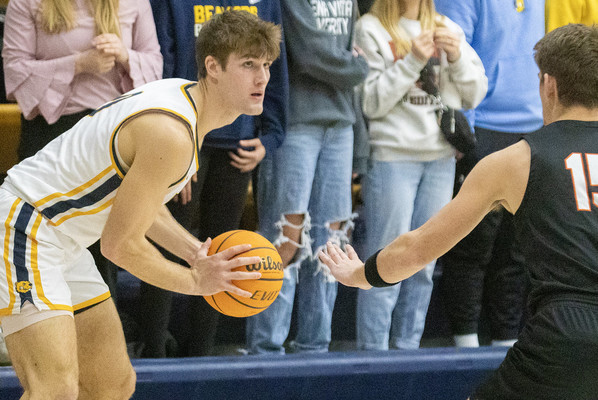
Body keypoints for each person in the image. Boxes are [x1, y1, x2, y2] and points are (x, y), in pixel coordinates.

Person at [0, 10, 281, 398]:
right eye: (248, 64)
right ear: (213, 67)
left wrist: (196, 253)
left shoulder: (183, 102)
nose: (262, 77)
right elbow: (119, 246)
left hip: (62, 240)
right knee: (54, 390)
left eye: (266, 65)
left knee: (113, 384)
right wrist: (196, 282)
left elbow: (143, 208)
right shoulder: (171, 133)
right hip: (25, 227)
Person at [320, 23, 598, 399]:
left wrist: (360, 275)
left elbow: (418, 248)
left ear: (548, 85)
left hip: (568, 332)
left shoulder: (516, 160)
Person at [139, 0, 288, 358]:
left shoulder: (265, 5)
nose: (261, 74)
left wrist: (270, 135)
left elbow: (274, 68)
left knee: (222, 250)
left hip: (237, 143)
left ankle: (201, 354)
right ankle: (153, 350)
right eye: (251, 65)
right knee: (165, 244)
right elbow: (164, 61)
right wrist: (179, 150)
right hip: (183, 133)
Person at [2, 0, 163, 309]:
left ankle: (102, 330)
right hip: (50, 136)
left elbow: (155, 67)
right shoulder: (27, 3)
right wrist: (77, 64)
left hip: (112, 136)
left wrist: (125, 56)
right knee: (41, 241)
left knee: (103, 247)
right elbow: (14, 72)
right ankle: (38, 324)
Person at [353, 0, 487, 351]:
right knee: (384, 261)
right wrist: (412, 60)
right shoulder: (370, 28)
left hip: (440, 159)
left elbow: (475, 94)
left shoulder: (446, 26)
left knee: (424, 265)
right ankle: (373, 357)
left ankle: (407, 352)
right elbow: (370, 102)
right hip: (392, 157)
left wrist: (456, 57)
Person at [245, 0, 369, 355]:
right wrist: (358, 67)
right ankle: (265, 351)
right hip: (295, 122)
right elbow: (311, 54)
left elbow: (343, 58)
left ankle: (315, 348)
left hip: (341, 125)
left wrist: (360, 141)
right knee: (285, 237)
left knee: (332, 243)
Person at [433, 0, 545, 348]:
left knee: (517, 250)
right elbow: (449, 59)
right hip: (483, 128)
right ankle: (465, 346)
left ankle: (506, 343)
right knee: (472, 244)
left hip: (533, 128)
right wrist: (465, 129)